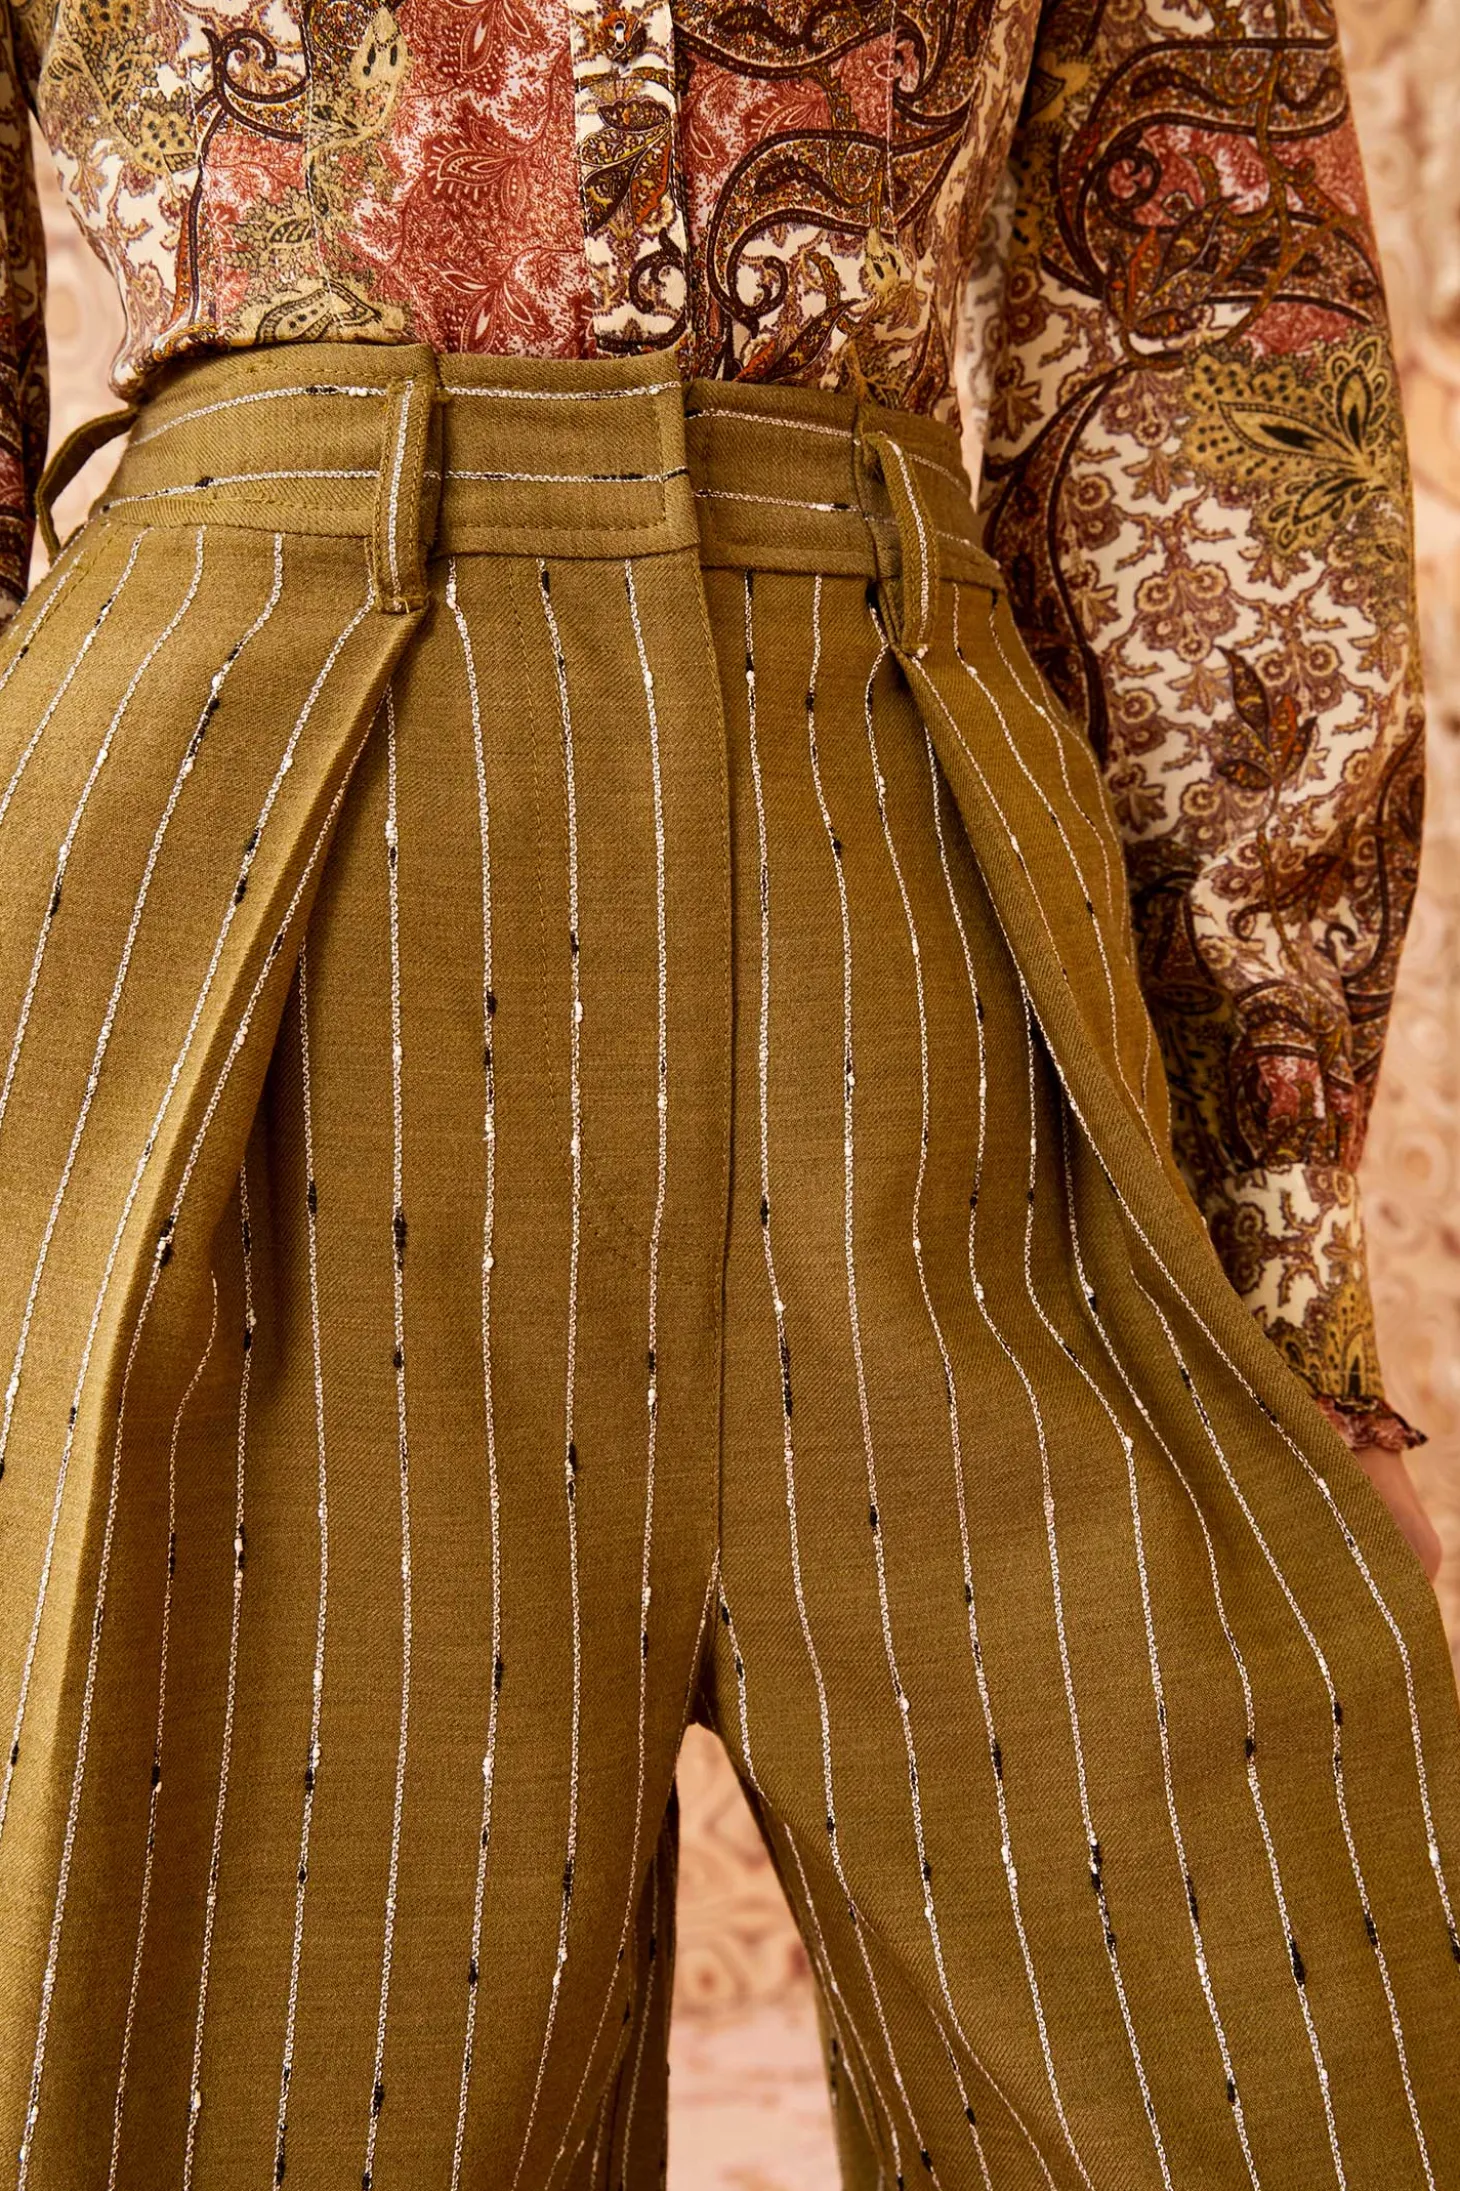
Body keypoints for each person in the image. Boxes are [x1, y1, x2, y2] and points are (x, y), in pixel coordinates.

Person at [0, 0, 1457, 2182]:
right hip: (233, 834)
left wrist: (1283, 1259)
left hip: (910, 848)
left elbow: (1211, 338)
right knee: (256, 2082)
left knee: (1282, 2037)